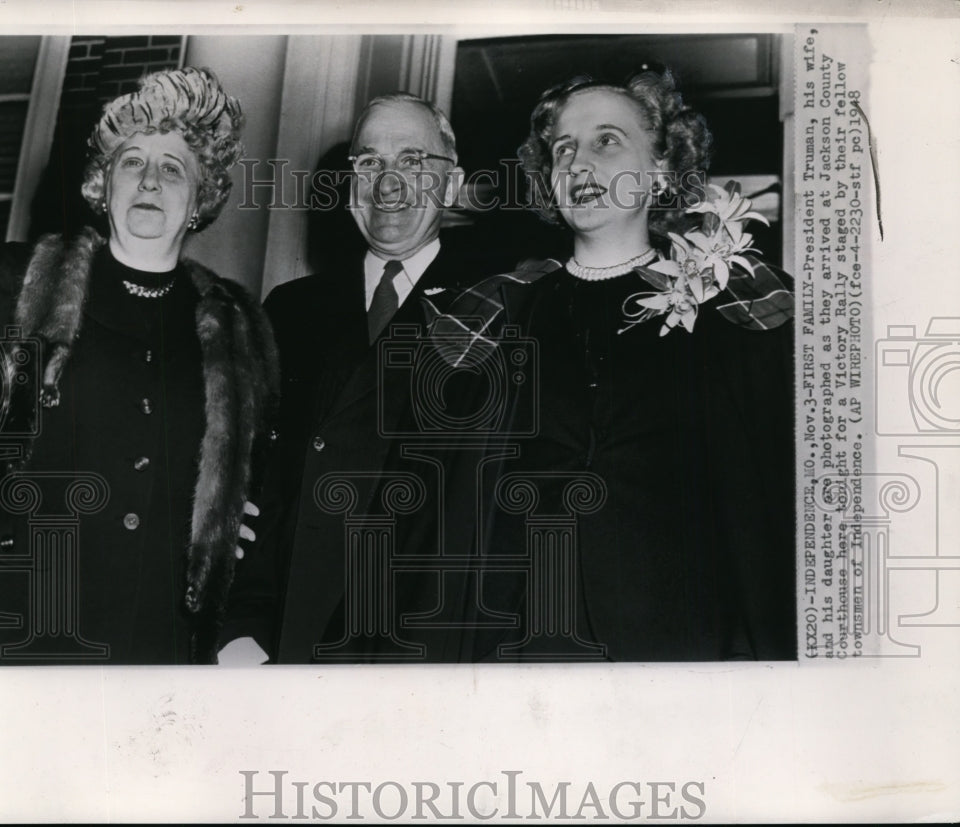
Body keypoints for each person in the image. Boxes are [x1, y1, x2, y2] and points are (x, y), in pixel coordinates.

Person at [456, 68, 796, 661]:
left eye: (606, 140)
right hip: (523, 643)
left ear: (662, 167)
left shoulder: (733, 301)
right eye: (563, 148)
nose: (579, 163)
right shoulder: (501, 309)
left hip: (685, 644)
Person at [0, 68, 279, 665]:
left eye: (173, 167)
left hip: (160, 639)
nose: (150, 179)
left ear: (199, 198)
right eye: (131, 161)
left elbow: (266, 485)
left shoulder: (238, 326)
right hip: (20, 627)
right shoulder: (12, 284)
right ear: (103, 184)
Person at [254, 92, 492, 663]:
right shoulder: (289, 310)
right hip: (286, 633)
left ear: (452, 184)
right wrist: (241, 627)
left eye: (413, 161)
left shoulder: (497, 304)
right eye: (368, 163)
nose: (388, 183)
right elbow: (258, 482)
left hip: (418, 643)